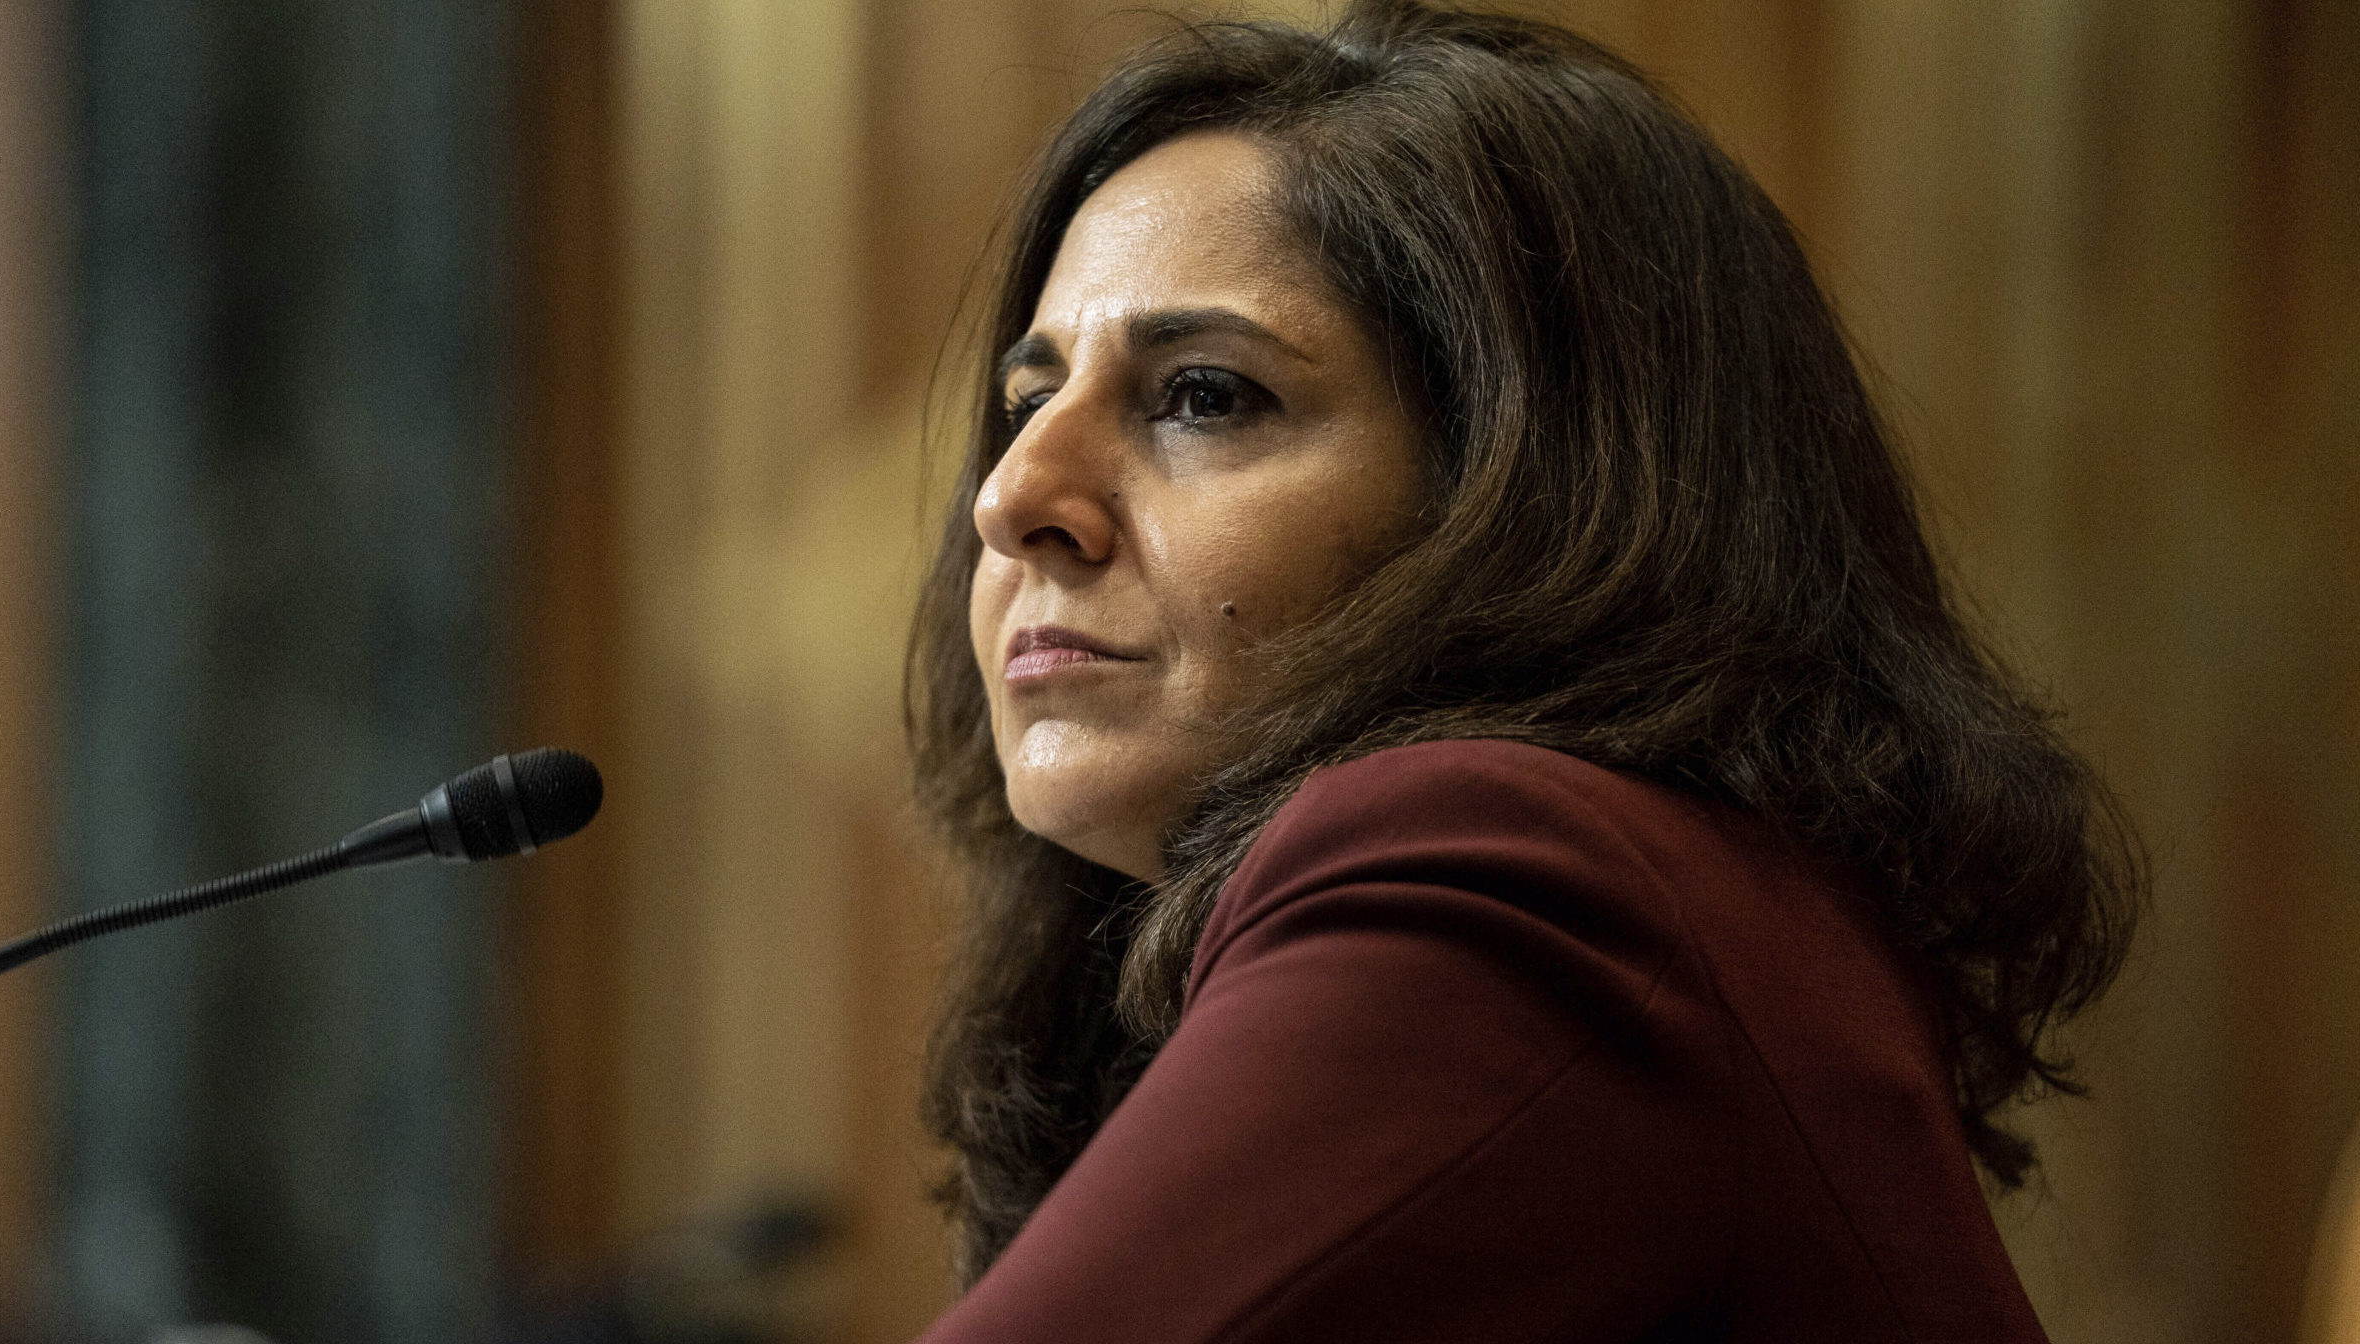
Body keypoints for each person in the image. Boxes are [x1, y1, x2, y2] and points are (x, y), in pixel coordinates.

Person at [903, 2, 2141, 1339]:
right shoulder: (1680, 880)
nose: (1012, 495)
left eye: (1205, 394)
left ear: (1538, 496)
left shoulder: (1508, 876)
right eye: (1030, 403)